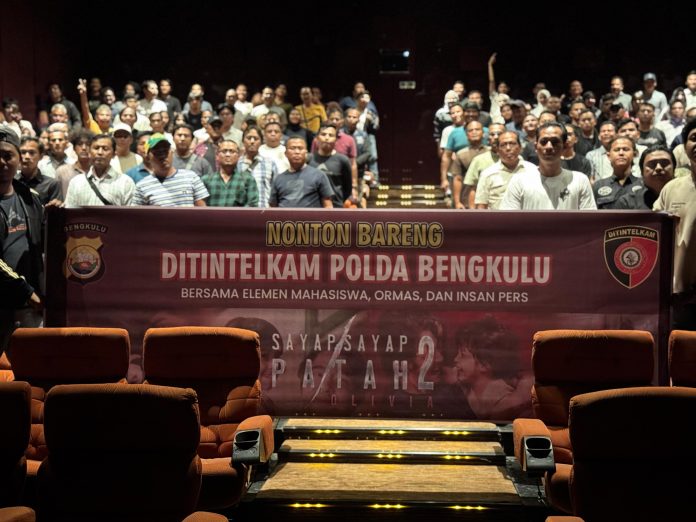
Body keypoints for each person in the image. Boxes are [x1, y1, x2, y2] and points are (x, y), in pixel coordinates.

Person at [0, 128, 43, 352]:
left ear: (18, 159)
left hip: (29, 304)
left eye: (8, 155)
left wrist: (57, 218)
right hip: (9, 300)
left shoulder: (31, 198)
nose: (2, 162)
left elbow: (42, 244)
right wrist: (26, 291)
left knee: (33, 364)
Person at [654, 119, 696, 329]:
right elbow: (654, 233)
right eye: (694, 138)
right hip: (681, 296)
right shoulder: (671, 189)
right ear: (685, 147)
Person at [500, 122, 596, 210]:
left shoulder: (580, 181)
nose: (549, 146)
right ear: (536, 147)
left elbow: (589, 220)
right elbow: (509, 220)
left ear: (565, 146)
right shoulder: (519, 181)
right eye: (544, 141)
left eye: (555, 142)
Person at [453, 316, 532, 420]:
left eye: (463, 355)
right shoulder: (470, 387)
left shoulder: (500, 396)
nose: (455, 359)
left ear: (484, 364)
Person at [134, 134, 208, 207]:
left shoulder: (191, 177)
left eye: (165, 151)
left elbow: (202, 210)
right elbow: (137, 214)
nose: (162, 156)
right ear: (148, 157)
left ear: (172, 152)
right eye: (157, 153)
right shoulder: (142, 186)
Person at [64, 134, 135, 207]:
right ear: (89, 152)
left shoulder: (125, 183)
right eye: (96, 148)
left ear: (114, 154)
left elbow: (130, 213)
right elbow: (70, 211)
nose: (100, 152)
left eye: (105, 149)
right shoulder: (76, 182)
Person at [475, 131, 535, 209]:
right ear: (497, 150)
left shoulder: (532, 170)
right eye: (503, 145)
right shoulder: (488, 174)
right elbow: (481, 205)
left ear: (520, 147)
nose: (508, 148)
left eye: (512, 144)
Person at [269, 137, 333, 208]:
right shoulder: (278, 179)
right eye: (293, 148)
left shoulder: (319, 175)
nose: (297, 152)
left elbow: (328, 205)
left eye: (300, 148)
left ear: (306, 152)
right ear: (286, 153)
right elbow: (272, 207)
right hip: (283, 215)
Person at [201, 140, 258, 207]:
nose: (227, 154)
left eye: (232, 151)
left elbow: (252, 205)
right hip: (211, 214)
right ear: (217, 156)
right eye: (224, 151)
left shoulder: (248, 179)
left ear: (238, 156)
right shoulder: (206, 180)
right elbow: (200, 206)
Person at [309, 123, 354, 208]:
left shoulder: (343, 160)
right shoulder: (309, 159)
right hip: (313, 206)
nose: (327, 138)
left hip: (336, 207)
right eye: (323, 134)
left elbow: (347, 188)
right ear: (317, 138)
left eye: (331, 135)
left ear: (336, 140)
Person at [616, 145, 675, 209]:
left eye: (664, 163)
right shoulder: (627, 202)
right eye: (652, 164)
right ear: (642, 172)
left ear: (674, 169)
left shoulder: (683, 196)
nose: (658, 168)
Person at [593, 136, 642, 209]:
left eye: (626, 149)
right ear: (608, 156)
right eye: (616, 150)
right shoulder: (598, 185)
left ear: (634, 154)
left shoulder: (643, 185)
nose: (621, 153)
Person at [237, 126, 277, 208]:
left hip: (264, 210)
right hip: (241, 211)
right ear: (243, 141)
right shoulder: (236, 164)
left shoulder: (270, 163)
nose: (252, 141)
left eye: (256, 138)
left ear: (261, 142)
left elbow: (276, 191)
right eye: (249, 138)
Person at [15, 137, 61, 204]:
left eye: (32, 153)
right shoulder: (11, 182)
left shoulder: (51, 184)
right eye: (23, 152)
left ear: (41, 156)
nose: (27, 156)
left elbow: (55, 209)